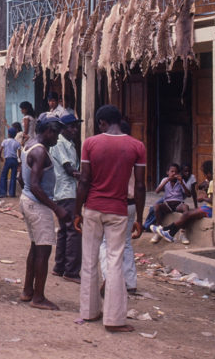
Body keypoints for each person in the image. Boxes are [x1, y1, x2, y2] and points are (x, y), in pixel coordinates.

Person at [75, 105, 146, 333]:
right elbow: (141, 185)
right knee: (115, 262)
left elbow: (84, 181)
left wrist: (78, 211)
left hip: (93, 208)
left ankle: (88, 312)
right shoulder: (137, 146)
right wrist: (141, 217)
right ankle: (114, 320)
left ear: (101, 123)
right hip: (118, 209)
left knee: (89, 259)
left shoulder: (90, 143)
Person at [18, 113, 69, 311]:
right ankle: (38, 297)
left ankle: (27, 290)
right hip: (37, 204)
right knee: (44, 250)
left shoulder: (29, 144)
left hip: (27, 200)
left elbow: (23, 179)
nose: (57, 137)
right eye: (56, 133)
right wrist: (57, 209)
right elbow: (36, 186)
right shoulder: (40, 152)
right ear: (47, 131)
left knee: (35, 247)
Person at [98, 120, 139, 295]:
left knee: (105, 243)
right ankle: (130, 282)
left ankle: (110, 278)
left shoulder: (114, 151)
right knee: (126, 243)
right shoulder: (136, 150)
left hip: (115, 202)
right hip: (131, 203)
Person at [151, 160, 215, 244]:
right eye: (172, 171)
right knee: (188, 214)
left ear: (208, 173)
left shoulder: (212, 182)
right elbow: (157, 191)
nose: (205, 177)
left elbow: (213, 201)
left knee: (187, 213)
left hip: (212, 209)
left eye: (205, 174)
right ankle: (169, 232)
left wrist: (203, 198)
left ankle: (167, 230)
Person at [50, 114, 82, 283]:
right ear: (63, 128)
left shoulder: (68, 143)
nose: (75, 130)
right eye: (72, 127)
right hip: (66, 191)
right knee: (74, 230)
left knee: (64, 229)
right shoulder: (61, 143)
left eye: (76, 127)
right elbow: (70, 169)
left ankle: (59, 266)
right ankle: (71, 271)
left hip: (64, 191)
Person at [148, 163, 191, 243]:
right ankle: (159, 230)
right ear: (168, 172)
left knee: (186, 207)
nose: (174, 174)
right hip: (167, 204)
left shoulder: (180, 181)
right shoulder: (165, 180)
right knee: (156, 206)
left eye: (176, 172)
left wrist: (182, 183)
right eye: (172, 171)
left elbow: (189, 194)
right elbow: (157, 191)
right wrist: (167, 180)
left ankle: (182, 233)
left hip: (178, 204)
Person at [0, 127, 20, 198]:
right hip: (14, 160)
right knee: (13, 177)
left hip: (8, 159)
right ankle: (12, 193)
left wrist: (0, 157)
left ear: (8, 134)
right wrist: (19, 161)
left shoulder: (5, 141)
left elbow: (0, 150)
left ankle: (3, 193)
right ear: (15, 135)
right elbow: (19, 153)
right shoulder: (17, 143)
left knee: (4, 176)